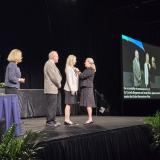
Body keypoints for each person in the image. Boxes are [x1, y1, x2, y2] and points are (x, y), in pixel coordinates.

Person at [44, 51, 62, 127]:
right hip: (51, 88)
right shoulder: (49, 64)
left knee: (53, 105)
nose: (58, 58)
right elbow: (53, 76)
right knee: (51, 105)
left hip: (53, 88)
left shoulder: (52, 64)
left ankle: (53, 120)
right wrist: (59, 84)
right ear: (53, 57)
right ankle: (49, 121)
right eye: (57, 56)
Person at [79, 58, 96, 124]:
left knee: (88, 103)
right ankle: (90, 118)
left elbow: (82, 76)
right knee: (88, 104)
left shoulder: (90, 70)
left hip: (88, 88)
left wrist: (78, 72)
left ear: (89, 62)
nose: (84, 63)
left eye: (85, 62)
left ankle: (90, 119)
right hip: (87, 88)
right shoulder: (89, 69)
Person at [64, 55, 79, 125]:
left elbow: (75, 80)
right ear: (71, 60)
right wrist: (72, 89)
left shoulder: (73, 68)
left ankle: (68, 119)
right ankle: (66, 119)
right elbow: (69, 80)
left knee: (70, 105)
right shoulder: (68, 68)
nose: (76, 61)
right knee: (68, 104)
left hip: (73, 89)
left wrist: (77, 73)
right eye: (75, 59)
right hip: (69, 89)